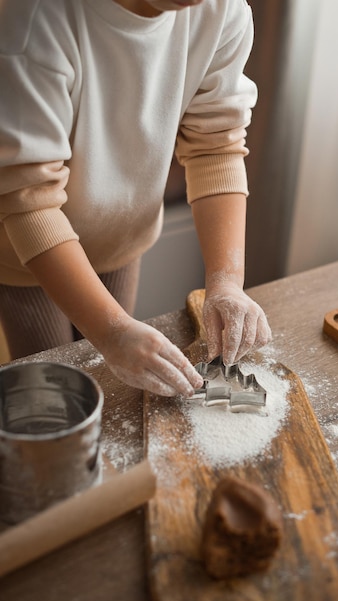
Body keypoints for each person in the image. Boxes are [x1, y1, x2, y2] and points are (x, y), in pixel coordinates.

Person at [0, 0, 272, 397]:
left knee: (114, 390)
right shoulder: (32, 21)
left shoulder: (222, 10)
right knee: (54, 399)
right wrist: (110, 331)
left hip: (121, 239)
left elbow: (215, 145)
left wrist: (227, 283)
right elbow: (28, 200)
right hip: (27, 256)